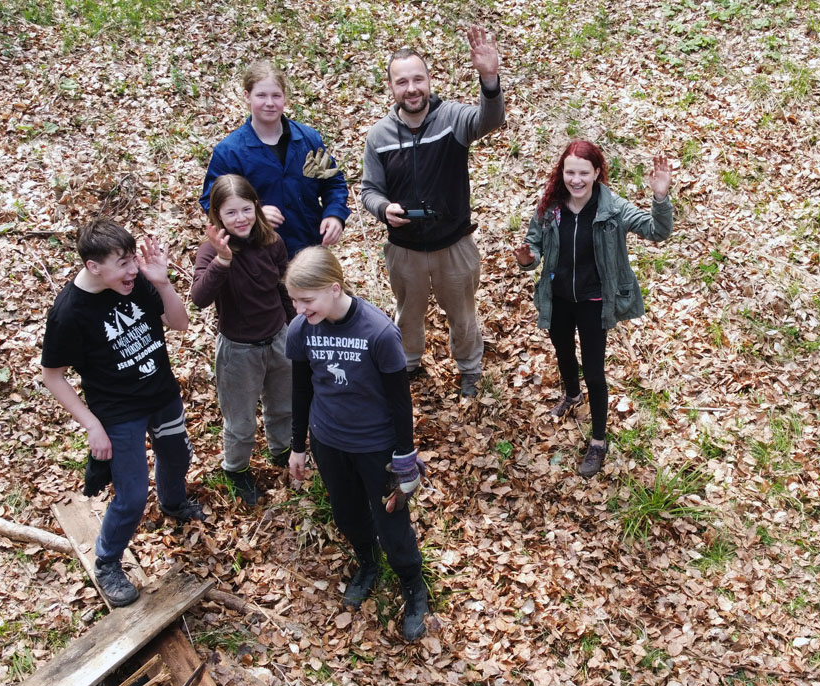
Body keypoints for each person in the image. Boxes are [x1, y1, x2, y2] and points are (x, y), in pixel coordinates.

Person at [41, 219, 205, 607]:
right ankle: (108, 561)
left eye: (133, 259)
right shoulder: (69, 313)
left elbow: (179, 324)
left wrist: (162, 282)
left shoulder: (137, 283)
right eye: (122, 263)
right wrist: (93, 426)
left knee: (178, 457)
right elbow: (52, 376)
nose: (132, 270)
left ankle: (172, 502)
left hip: (162, 394)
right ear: (93, 266)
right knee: (131, 495)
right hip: (118, 413)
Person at [284, 246, 431, 641]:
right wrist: (298, 444)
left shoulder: (378, 332)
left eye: (306, 300)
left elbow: (401, 401)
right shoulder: (302, 330)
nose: (298, 309)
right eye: (293, 300)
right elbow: (300, 389)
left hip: (376, 447)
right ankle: (367, 563)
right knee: (347, 514)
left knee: (392, 522)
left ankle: (413, 585)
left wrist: (404, 456)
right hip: (329, 442)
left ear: (333, 289)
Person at [359, 26, 506, 397]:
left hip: (453, 245)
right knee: (407, 315)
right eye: (402, 81)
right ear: (391, 88)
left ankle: (469, 368)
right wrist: (383, 209)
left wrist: (489, 80)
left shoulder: (452, 119)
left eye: (418, 79)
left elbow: (490, 121)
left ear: (428, 80)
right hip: (404, 249)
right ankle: (407, 364)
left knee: (463, 315)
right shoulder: (378, 136)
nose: (412, 88)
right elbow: (369, 190)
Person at [514, 142, 673, 477]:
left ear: (597, 172)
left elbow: (658, 232)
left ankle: (598, 441)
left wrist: (660, 198)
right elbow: (535, 246)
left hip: (593, 302)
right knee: (562, 351)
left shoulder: (612, 209)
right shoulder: (551, 207)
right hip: (557, 298)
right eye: (570, 172)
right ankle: (572, 394)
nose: (576, 179)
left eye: (583, 172)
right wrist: (529, 259)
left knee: (595, 371)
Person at [191, 174, 294, 506]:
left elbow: (283, 289)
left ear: (256, 208)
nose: (240, 219)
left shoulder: (272, 242)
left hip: (278, 338)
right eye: (230, 212)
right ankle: (235, 469)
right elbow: (199, 298)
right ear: (217, 215)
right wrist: (223, 260)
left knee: (282, 406)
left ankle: (282, 451)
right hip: (239, 350)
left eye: (246, 209)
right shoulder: (211, 251)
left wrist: (295, 330)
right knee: (240, 420)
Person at [201, 60, 350, 258]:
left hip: (309, 250)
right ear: (247, 97)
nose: (270, 103)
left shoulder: (307, 140)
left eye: (276, 96)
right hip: (257, 256)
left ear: (285, 98)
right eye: (261, 95)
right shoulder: (230, 152)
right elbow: (212, 202)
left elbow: (332, 183)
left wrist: (334, 214)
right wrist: (254, 215)